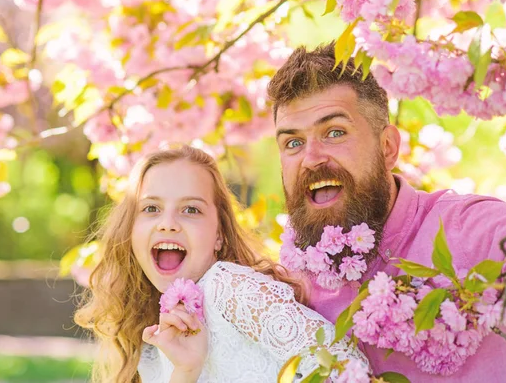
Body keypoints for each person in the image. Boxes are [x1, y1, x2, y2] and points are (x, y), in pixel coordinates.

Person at [266, 3, 506, 383]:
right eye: (292, 143)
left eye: (334, 132)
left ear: (388, 147)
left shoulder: (478, 232)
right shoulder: (287, 294)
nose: (311, 158)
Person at [75, 145, 367, 383]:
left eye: (191, 209)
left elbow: (346, 367)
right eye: (151, 208)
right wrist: (186, 372)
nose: (168, 224)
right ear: (130, 228)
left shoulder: (229, 287)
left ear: (218, 235)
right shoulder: (150, 342)